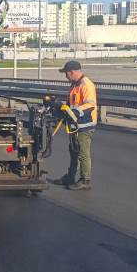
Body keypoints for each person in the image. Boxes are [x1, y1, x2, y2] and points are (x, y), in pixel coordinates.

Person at [53, 60, 97, 190]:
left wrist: (74, 112)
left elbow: (90, 104)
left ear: (71, 72)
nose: (65, 76)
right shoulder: (74, 85)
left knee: (83, 153)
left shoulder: (86, 84)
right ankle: (70, 177)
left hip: (85, 125)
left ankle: (85, 180)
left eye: (66, 73)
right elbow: (72, 103)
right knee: (73, 151)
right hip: (74, 125)